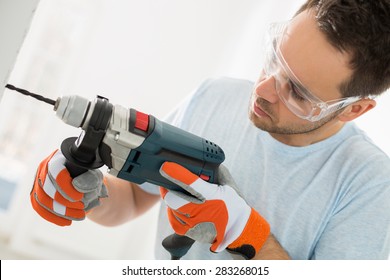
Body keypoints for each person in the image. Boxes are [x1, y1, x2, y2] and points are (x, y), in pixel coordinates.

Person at [30, 0, 390, 260]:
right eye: (274, 58)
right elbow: (136, 198)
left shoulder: (370, 187)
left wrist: (248, 236)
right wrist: (85, 190)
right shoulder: (215, 95)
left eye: (296, 92)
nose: (262, 90)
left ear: (354, 109)